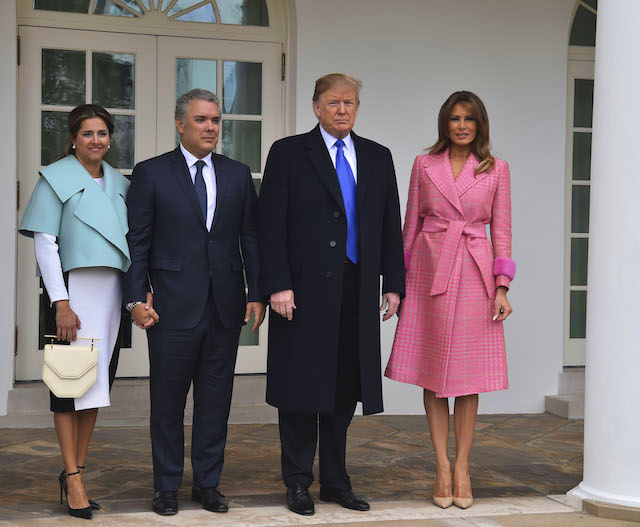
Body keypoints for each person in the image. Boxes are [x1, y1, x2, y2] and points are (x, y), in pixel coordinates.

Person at [258, 73, 405, 516]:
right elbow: (271, 225)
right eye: (334, 103)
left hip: (356, 288)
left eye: (351, 102)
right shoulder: (288, 153)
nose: (343, 110)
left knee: (344, 387)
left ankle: (336, 481)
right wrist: (277, 284)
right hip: (300, 291)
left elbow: (388, 225)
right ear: (317, 107)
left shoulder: (378, 157)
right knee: (301, 386)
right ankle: (299, 481)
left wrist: (393, 284)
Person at [123, 88, 265, 516]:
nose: (210, 128)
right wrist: (135, 299)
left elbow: (251, 240)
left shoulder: (238, 175)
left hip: (224, 306)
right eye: (202, 120)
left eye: (216, 120)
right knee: (167, 403)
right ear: (180, 123)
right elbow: (138, 242)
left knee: (215, 402)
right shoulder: (150, 173)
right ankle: (166, 486)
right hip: (170, 307)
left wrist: (256, 292)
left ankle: (208, 484)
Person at [385, 91, 515, 509]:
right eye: (455, 118)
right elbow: (410, 226)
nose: (462, 125)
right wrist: (399, 284)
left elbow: (502, 231)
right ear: (445, 123)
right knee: (433, 372)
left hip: (476, 273)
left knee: (468, 376)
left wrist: (501, 286)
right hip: (430, 271)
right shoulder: (424, 165)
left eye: (469, 119)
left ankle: (463, 466)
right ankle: (441, 465)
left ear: (480, 125)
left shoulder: (496, 169)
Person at [18, 104, 140, 520]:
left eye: (102, 133)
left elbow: (134, 245)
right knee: (68, 391)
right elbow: (44, 244)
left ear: (110, 138)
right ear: (73, 138)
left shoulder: (122, 185)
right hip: (72, 293)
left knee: (94, 391)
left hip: (111, 295)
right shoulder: (54, 178)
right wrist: (61, 303)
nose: (96, 140)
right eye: (87, 133)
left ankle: (78, 471)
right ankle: (71, 477)